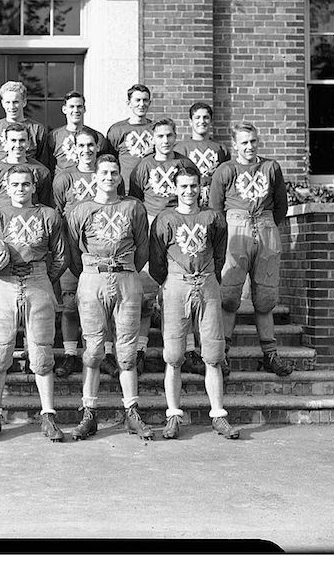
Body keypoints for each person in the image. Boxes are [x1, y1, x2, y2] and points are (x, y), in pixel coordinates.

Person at [0, 165, 69, 442]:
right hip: (4, 284)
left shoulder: (48, 215)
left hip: (37, 282)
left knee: (41, 353)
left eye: (26, 184)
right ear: (6, 186)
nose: (21, 189)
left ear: (34, 186)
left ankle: (48, 415)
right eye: (15, 184)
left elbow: (61, 256)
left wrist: (41, 277)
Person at [65, 155, 153, 440]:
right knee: (93, 349)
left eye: (113, 172)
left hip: (127, 277)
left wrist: (126, 269)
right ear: (95, 177)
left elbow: (142, 246)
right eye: (103, 172)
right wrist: (93, 271)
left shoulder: (133, 207)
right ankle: (89, 413)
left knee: (126, 351)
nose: (108, 177)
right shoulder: (81, 210)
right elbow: (73, 250)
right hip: (93, 277)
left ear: (119, 176)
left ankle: (131, 412)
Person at [149, 165, 240, 439]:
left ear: (200, 188)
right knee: (174, 355)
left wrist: (209, 278)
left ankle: (218, 415)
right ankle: (174, 414)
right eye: (183, 186)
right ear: (175, 189)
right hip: (176, 285)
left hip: (207, 282)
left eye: (193, 186)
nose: (189, 192)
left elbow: (220, 254)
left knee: (213, 353)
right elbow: (156, 262)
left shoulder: (212, 217)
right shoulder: (165, 219)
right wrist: (171, 282)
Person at [209, 122, 292, 377]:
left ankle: (270, 354)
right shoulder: (226, 170)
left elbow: (281, 205)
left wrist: (265, 224)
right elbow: (215, 209)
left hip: (265, 228)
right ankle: (222, 355)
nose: (249, 146)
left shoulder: (271, 167)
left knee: (266, 298)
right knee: (229, 296)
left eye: (253, 141)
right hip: (235, 231)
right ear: (234, 145)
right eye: (244, 142)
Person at [128, 118, 201, 377]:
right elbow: (135, 198)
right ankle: (140, 350)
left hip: (179, 223)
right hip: (151, 223)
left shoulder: (184, 164)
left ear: (175, 136)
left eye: (170, 135)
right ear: (153, 138)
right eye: (160, 136)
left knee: (182, 289)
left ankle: (189, 349)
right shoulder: (143, 165)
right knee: (148, 292)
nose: (166, 140)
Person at [52, 129, 122, 379]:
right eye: (81, 145)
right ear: (74, 148)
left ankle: (108, 354)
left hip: (102, 251)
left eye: (91, 145)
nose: (86, 150)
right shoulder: (64, 178)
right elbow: (59, 210)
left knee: (108, 308)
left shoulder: (107, 173)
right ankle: (71, 354)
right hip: (73, 248)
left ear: (97, 147)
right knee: (71, 306)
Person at [173, 102, 231, 375]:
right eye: (197, 117)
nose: (203, 122)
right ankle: (186, 350)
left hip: (207, 215)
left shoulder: (219, 149)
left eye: (207, 117)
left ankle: (210, 351)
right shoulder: (182, 149)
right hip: (183, 217)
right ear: (190, 121)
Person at [0, 123, 53, 213]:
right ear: (5, 143)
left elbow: (45, 207)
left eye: (22, 140)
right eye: (13, 140)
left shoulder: (41, 171)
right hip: (1, 223)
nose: (18, 145)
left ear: (28, 143)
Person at [0, 81, 53, 169]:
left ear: (24, 102)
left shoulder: (37, 130)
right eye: (8, 102)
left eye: (15, 102)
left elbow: (43, 164)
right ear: (2, 103)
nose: (12, 107)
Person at [46, 91, 111, 174]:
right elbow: (48, 165)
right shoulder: (53, 137)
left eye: (79, 106)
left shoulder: (97, 137)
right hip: (63, 183)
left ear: (84, 109)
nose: (76, 110)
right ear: (64, 109)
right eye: (72, 107)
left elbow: (104, 164)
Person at [106, 83, 155, 192]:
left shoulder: (156, 129)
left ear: (149, 103)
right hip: (126, 189)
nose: (141, 104)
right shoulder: (117, 130)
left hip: (150, 188)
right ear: (129, 103)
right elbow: (110, 160)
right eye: (137, 100)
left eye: (145, 100)